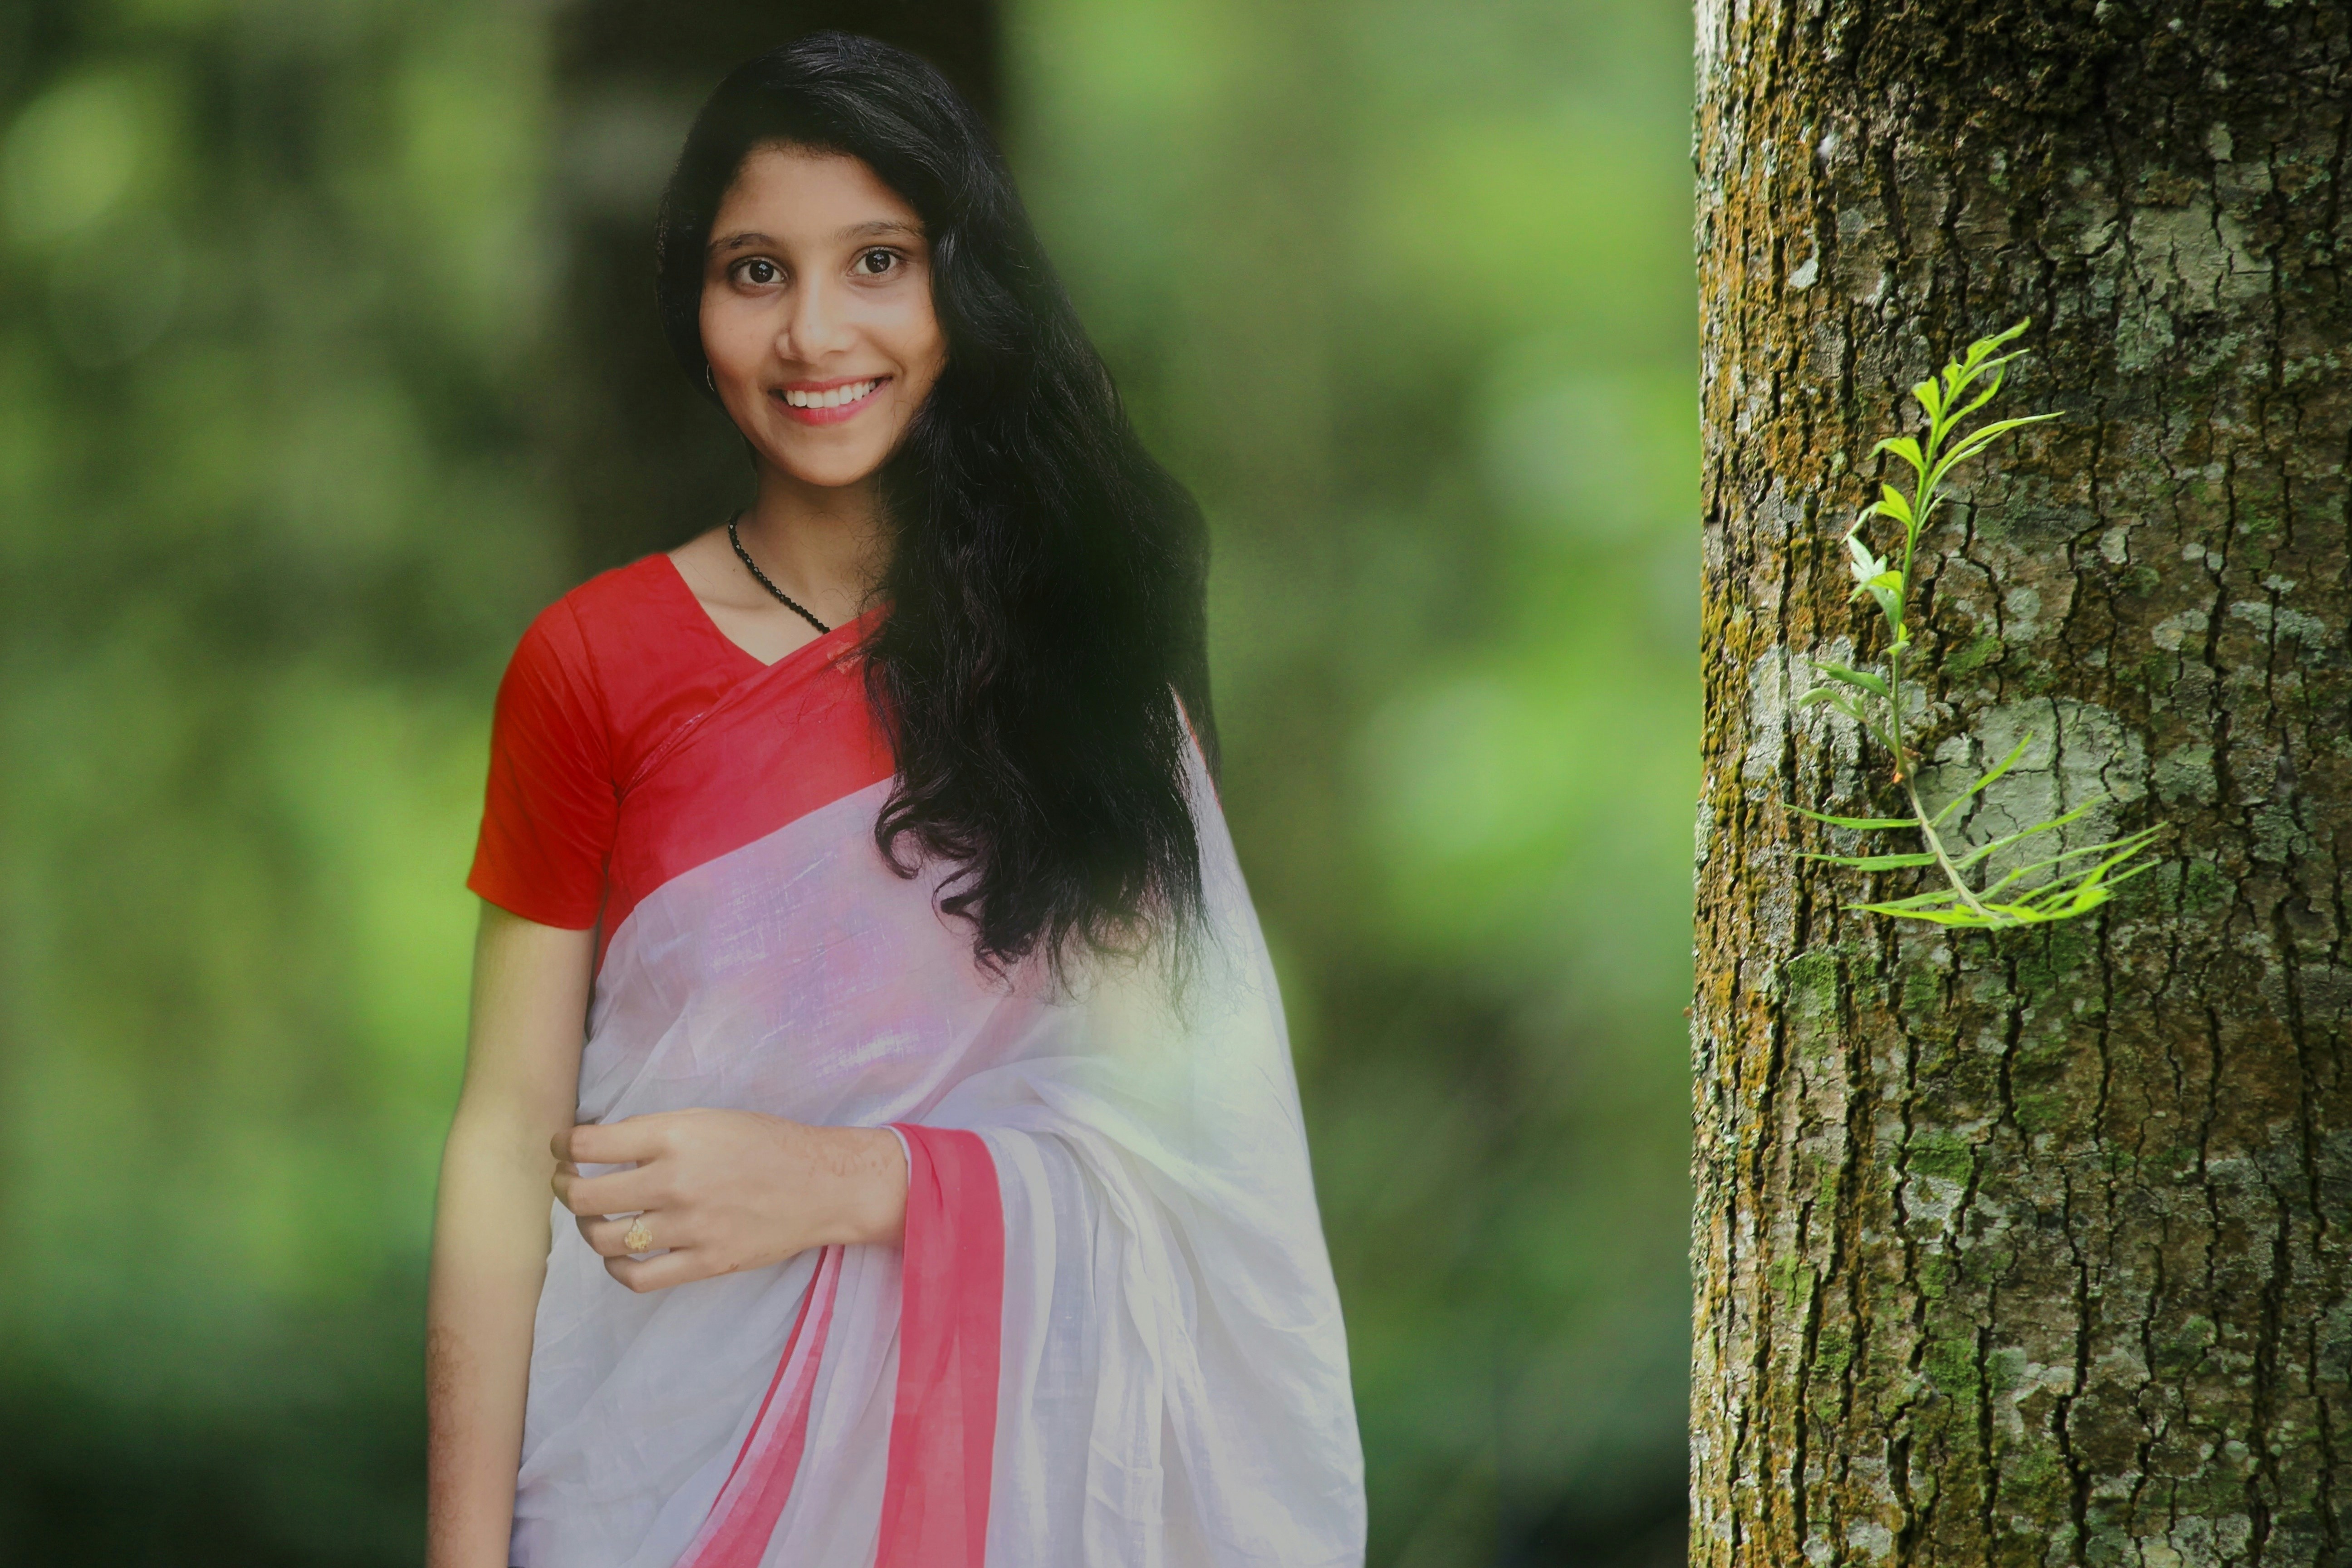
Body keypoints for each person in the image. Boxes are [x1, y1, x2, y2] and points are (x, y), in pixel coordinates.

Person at [424, 31, 1363, 1568]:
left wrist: (852, 1183)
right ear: (692, 298)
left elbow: (1201, 1145)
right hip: (644, 1475)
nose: (814, 333)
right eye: (754, 272)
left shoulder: (1089, 659)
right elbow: (502, 1137)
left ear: (960, 286)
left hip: (1015, 1485)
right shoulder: (589, 664)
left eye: (877, 261)